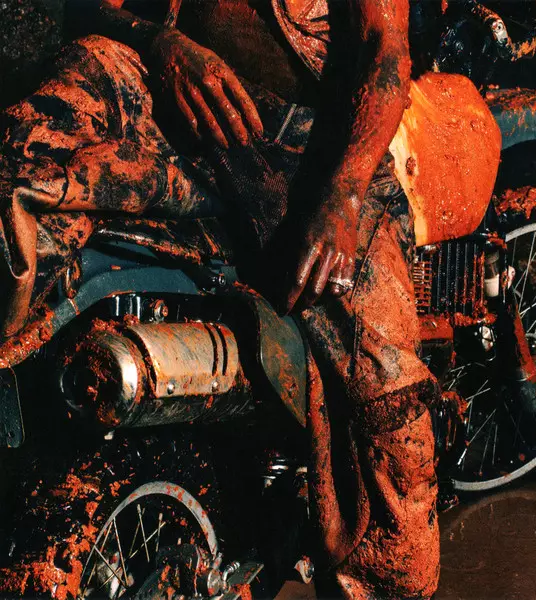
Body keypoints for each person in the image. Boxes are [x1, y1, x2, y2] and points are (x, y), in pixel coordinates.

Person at [0, 0, 441, 597]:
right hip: (171, 102)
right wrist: (161, 43)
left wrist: (344, 196)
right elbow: (89, 8)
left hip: (311, 150)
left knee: (386, 404)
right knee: (31, 149)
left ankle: (381, 583)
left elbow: (383, 55)